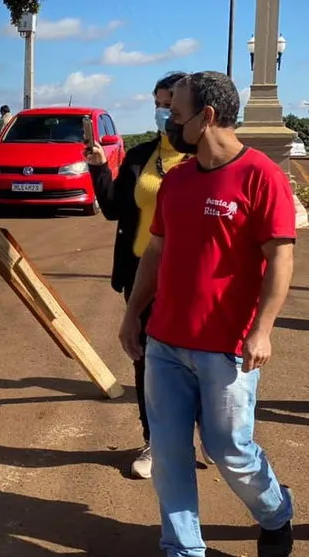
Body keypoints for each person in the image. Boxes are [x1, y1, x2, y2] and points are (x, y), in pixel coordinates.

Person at [120, 71, 295, 556]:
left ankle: (276, 512)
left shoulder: (261, 176)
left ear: (208, 116)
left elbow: (281, 257)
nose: (170, 122)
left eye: (176, 114)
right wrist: (134, 313)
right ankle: (183, 549)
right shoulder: (175, 181)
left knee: (229, 451)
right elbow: (155, 252)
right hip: (166, 343)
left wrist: (262, 331)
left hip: (228, 348)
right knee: (171, 454)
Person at [86, 71, 215, 480]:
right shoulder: (142, 156)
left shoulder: (206, 159)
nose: (164, 113)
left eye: (171, 106)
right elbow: (114, 209)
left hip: (194, 281)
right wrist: (98, 170)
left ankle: (206, 433)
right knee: (147, 365)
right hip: (142, 276)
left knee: (200, 363)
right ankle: (155, 441)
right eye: (159, 105)